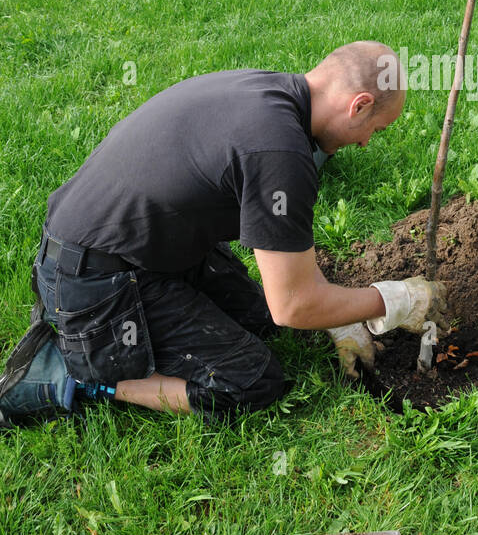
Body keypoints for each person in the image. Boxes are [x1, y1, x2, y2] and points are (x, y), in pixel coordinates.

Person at [0, 42, 447, 427]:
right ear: (360, 104)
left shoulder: (269, 93)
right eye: (376, 129)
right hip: (94, 281)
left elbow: (286, 293)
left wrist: (339, 317)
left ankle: (102, 346)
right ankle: (81, 373)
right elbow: (293, 304)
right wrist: (393, 301)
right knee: (250, 382)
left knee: (259, 321)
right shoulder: (280, 153)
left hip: (131, 246)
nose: (368, 142)